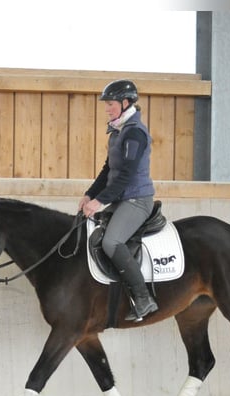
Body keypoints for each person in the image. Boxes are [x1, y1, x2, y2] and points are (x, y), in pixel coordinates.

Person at [79, 79, 158, 321]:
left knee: (111, 243)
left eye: (111, 104)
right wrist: (89, 194)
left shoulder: (134, 133)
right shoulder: (118, 131)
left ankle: (144, 299)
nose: (107, 108)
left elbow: (127, 175)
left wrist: (100, 202)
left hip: (137, 200)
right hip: (121, 198)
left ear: (125, 103)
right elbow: (108, 170)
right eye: (107, 104)